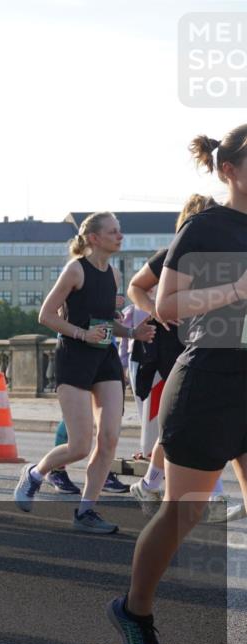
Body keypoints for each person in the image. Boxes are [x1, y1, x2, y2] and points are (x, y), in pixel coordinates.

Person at [107, 124, 247, 644]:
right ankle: (135, 609)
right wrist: (235, 290)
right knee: (182, 513)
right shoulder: (206, 228)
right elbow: (165, 305)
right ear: (228, 170)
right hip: (210, 383)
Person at [14, 211, 155, 533]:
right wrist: (81, 334)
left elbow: (106, 322)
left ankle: (86, 512)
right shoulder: (76, 269)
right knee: (79, 445)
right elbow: (46, 315)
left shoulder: (114, 274)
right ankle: (36, 473)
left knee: (109, 439)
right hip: (74, 357)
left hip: (103, 359)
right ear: (94, 238)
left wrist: (133, 334)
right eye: (114, 232)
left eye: (120, 231)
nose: (120, 236)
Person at [126, 193, 245, 522]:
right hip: (182, 347)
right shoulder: (176, 251)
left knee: (196, 428)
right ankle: (202, 496)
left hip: (218, 348)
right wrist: (156, 313)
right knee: (187, 425)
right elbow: (137, 286)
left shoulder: (232, 250)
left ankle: (155, 483)